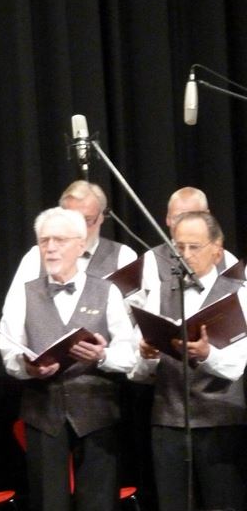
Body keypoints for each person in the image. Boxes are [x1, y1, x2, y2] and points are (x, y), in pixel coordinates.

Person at [0, 207, 135, 511]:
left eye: (59, 240)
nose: (50, 248)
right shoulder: (23, 293)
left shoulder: (107, 291)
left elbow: (129, 355)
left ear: (80, 244)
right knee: (48, 502)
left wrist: (103, 355)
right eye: (44, 240)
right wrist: (28, 367)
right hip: (43, 413)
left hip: (98, 413)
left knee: (100, 503)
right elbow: (8, 349)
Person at [130, 211, 247, 511]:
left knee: (223, 504)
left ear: (217, 250)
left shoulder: (238, 294)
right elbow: (137, 371)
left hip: (220, 421)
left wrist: (207, 354)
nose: (185, 255)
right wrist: (146, 355)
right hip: (168, 421)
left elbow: (237, 364)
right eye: (178, 247)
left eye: (194, 247)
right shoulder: (159, 292)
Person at [7, 181, 137, 292]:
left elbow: (135, 308)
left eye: (87, 220)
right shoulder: (36, 256)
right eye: (72, 220)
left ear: (101, 217)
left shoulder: (123, 256)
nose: (80, 228)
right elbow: (13, 310)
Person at [141, 187, 238, 296]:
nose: (185, 224)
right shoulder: (151, 261)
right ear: (167, 219)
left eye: (193, 217)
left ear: (208, 216)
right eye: (178, 217)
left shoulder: (228, 260)